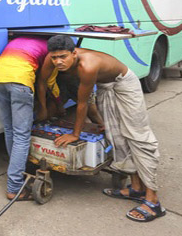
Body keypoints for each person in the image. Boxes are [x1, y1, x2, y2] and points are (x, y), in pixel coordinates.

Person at [37, 35, 164, 222]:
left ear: (74, 53)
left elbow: (82, 104)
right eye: (54, 58)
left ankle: (153, 201)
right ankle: (136, 189)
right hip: (106, 86)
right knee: (116, 136)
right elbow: (41, 82)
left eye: (63, 57)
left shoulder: (87, 66)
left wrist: (75, 134)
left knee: (138, 136)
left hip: (124, 83)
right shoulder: (52, 59)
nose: (58, 62)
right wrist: (43, 109)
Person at [0, 36, 54, 201]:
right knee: (21, 136)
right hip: (20, 82)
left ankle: (17, 169)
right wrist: (57, 102)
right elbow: (49, 81)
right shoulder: (51, 49)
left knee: (10, 129)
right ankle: (14, 187)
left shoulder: (21, 40)